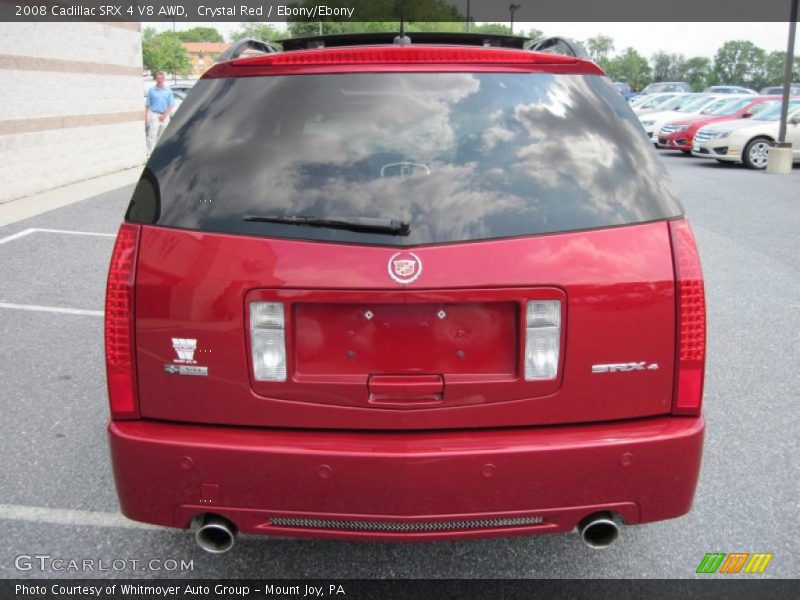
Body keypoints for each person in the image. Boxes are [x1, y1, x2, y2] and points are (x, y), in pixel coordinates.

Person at [145, 71, 175, 155]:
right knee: (152, 134)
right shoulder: (151, 90)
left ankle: (160, 152)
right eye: (158, 78)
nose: (160, 80)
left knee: (163, 135)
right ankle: (150, 154)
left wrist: (165, 115)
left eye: (161, 78)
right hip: (154, 115)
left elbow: (171, 104)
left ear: (164, 79)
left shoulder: (168, 91)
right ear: (155, 79)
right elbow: (147, 104)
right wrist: (145, 117)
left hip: (165, 115)